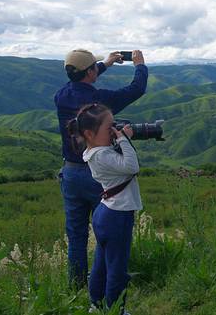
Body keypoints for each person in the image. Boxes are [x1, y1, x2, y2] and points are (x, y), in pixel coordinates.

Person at [54, 48, 147, 289]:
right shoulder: (99, 102)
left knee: (76, 235)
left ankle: (76, 287)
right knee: (106, 233)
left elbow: (79, 81)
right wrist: (139, 65)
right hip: (99, 172)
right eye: (94, 67)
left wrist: (105, 64)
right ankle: (107, 286)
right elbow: (136, 90)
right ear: (90, 72)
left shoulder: (61, 96)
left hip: (70, 173)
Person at [66, 103, 141, 312]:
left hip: (106, 212)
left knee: (101, 263)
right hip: (118, 215)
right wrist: (124, 140)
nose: (113, 131)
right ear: (89, 134)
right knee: (117, 267)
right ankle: (116, 309)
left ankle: (96, 303)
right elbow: (132, 166)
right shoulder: (102, 155)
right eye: (109, 128)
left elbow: (119, 160)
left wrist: (119, 139)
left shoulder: (95, 152)